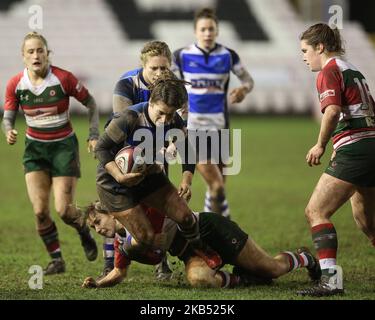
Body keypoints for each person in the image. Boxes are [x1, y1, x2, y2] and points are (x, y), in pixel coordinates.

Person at [94, 76, 221, 272]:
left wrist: (186, 179)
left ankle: (200, 249)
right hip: (114, 184)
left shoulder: (173, 120)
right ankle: (124, 250)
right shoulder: (129, 118)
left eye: (170, 115)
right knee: (147, 240)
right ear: (151, 103)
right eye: (161, 113)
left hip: (148, 176)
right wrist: (119, 176)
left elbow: (186, 149)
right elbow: (101, 148)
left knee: (186, 217)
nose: (165, 120)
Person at [1, 32, 99, 275]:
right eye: (30, 52)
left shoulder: (63, 79)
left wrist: (94, 134)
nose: (36, 55)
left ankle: (83, 230)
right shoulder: (16, 84)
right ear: (23, 57)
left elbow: (92, 104)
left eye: (40, 51)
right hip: (34, 150)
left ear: (47, 54)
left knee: (64, 210)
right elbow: (9, 116)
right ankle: (57, 260)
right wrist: (9, 130)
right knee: (39, 211)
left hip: (63, 148)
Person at [297, 23, 375, 296]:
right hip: (369, 147)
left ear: (320, 47)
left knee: (316, 211)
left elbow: (331, 112)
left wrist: (320, 145)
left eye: (306, 50)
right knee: (367, 222)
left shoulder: (329, 71)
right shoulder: (352, 70)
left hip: (356, 149)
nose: (304, 56)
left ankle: (330, 279)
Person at [81, 204, 320, 289]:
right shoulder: (121, 243)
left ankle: (304, 257)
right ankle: (245, 280)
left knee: (273, 269)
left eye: (99, 221)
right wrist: (97, 284)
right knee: (199, 279)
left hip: (210, 231)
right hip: (191, 253)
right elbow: (119, 272)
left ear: (112, 213)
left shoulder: (140, 211)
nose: (98, 229)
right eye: (93, 228)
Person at [99, 40, 175, 281]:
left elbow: (179, 126)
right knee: (117, 205)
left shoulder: (174, 88)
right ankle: (110, 262)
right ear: (143, 66)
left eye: (164, 68)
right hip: (124, 148)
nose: (160, 73)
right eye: (154, 68)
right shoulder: (126, 84)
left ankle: (160, 261)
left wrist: (169, 149)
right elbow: (122, 124)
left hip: (158, 149)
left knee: (160, 203)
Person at [172, 7, 254, 218]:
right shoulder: (181, 56)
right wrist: (179, 102)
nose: (207, 33)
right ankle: (220, 226)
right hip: (193, 129)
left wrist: (243, 90)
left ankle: (215, 229)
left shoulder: (228, 55)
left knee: (218, 189)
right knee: (216, 185)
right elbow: (170, 86)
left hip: (219, 127)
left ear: (217, 31)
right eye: (203, 29)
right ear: (195, 31)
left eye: (211, 29)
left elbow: (248, 80)